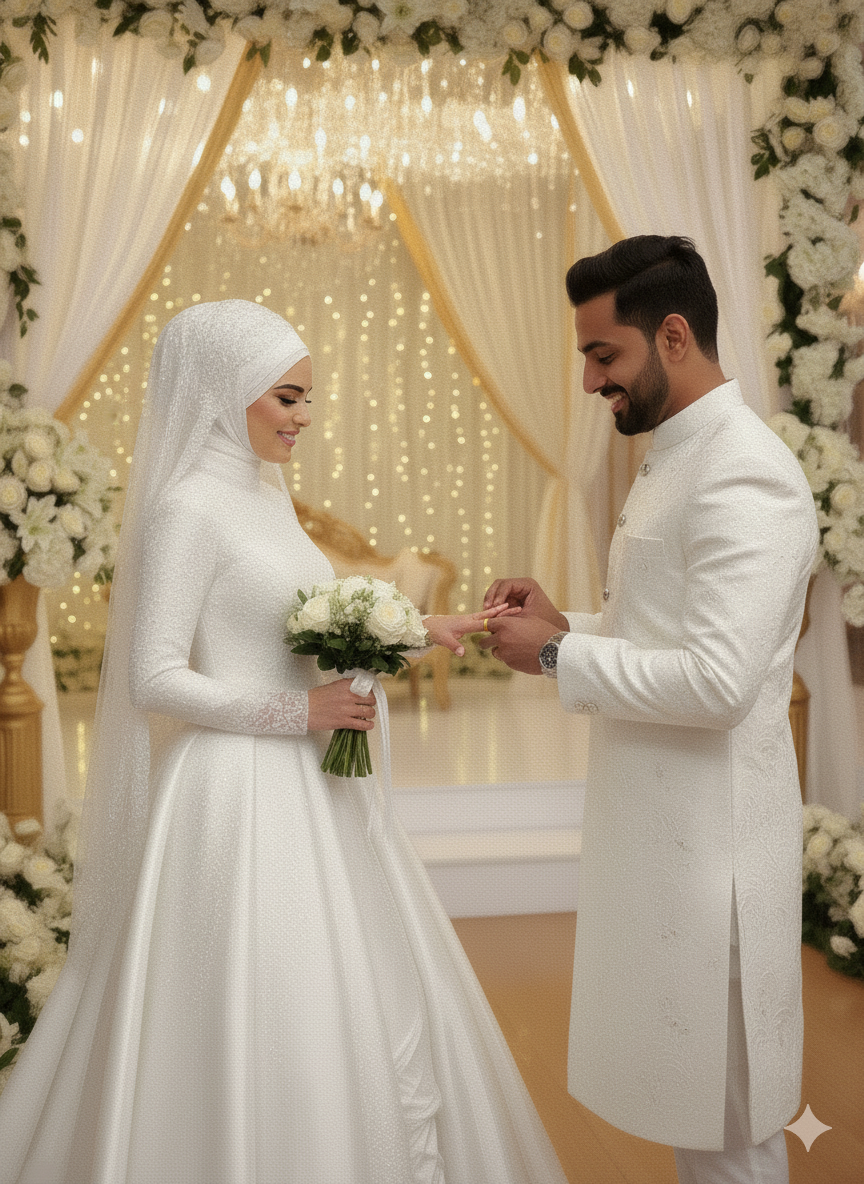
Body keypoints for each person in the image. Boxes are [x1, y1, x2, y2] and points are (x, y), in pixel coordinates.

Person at [0, 300, 568, 1184]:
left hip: (315, 786)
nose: (304, 417)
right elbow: (153, 675)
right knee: (254, 997)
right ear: (229, 392)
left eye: (308, 400)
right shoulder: (188, 508)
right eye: (289, 397)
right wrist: (295, 716)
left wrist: (429, 629)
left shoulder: (267, 498)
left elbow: (306, 630)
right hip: (234, 793)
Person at [481, 236, 818, 1184]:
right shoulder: (676, 457)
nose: (591, 381)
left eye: (603, 355)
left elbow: (716, 682)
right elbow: (670, 631)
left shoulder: (744, 472)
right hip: (665, 843)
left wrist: (557, 654)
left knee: (728, 1132)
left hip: (714, 858)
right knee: (692, 1117)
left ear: (673, 335)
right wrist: (569, 623)